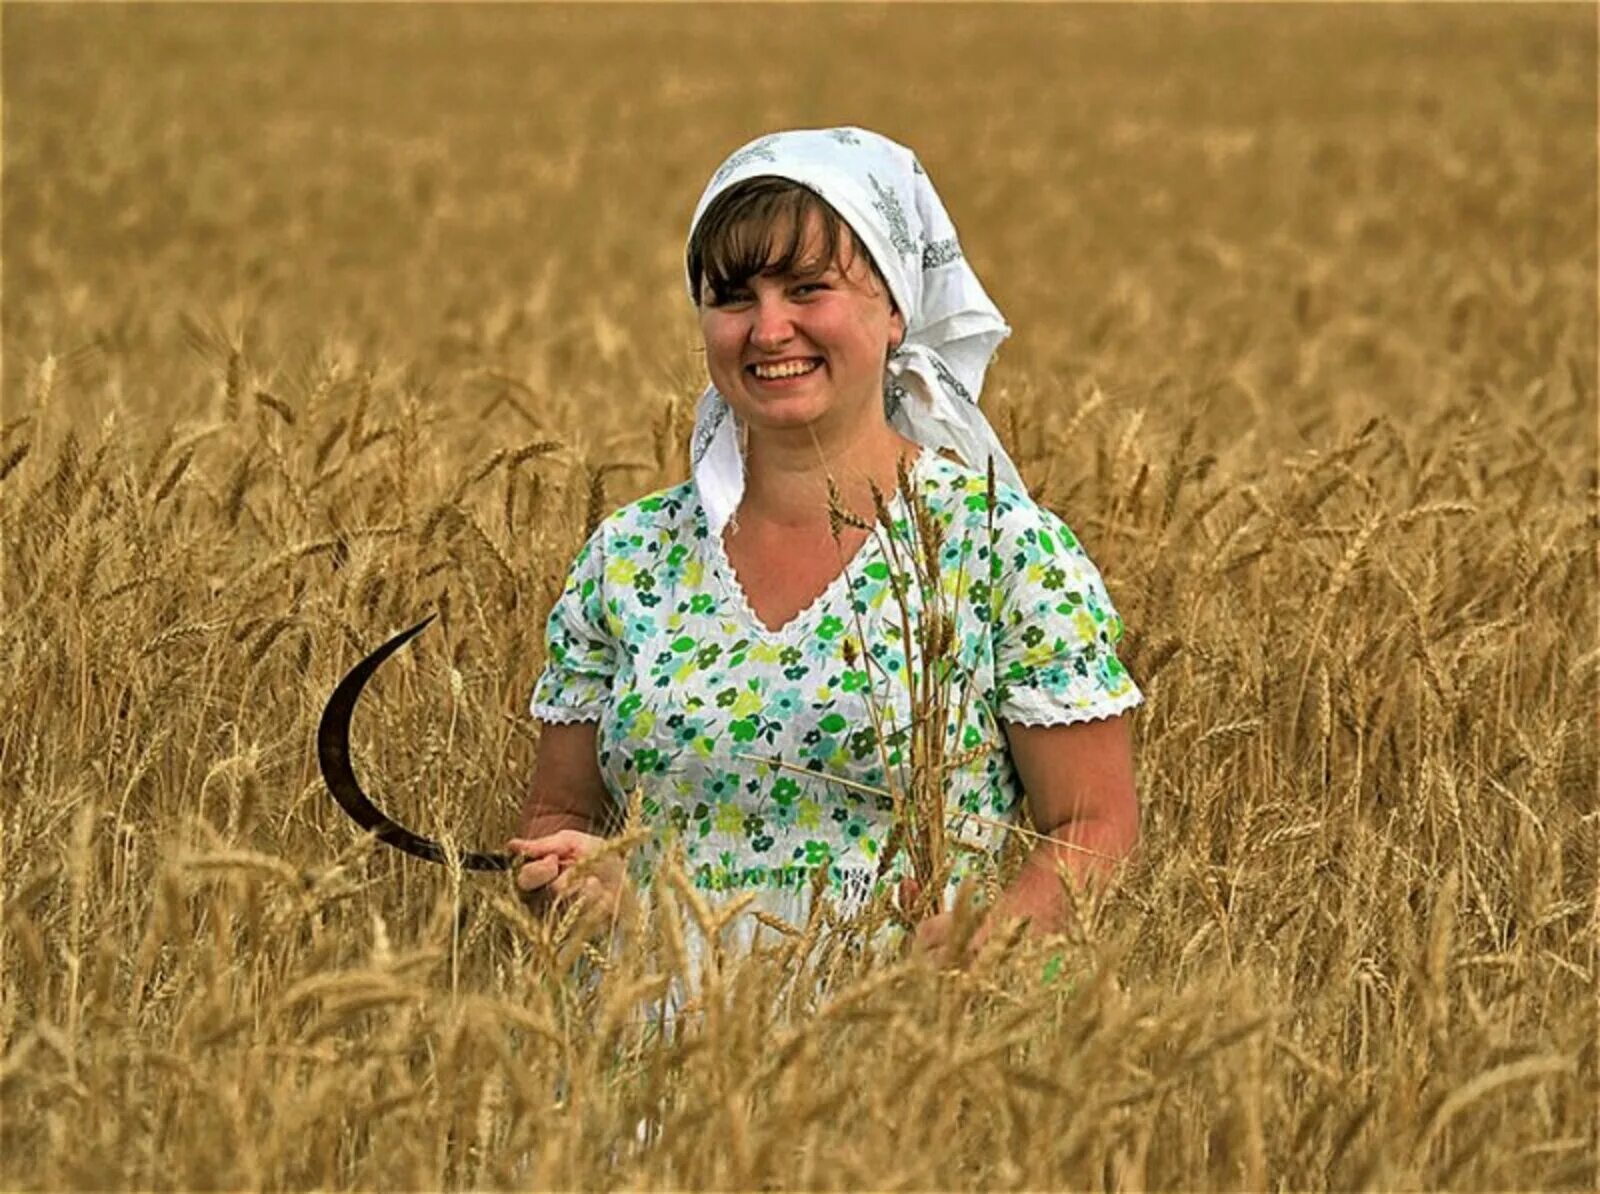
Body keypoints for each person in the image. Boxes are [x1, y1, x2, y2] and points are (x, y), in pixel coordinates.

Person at [508, 127, 1142, 967]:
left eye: (809, 289)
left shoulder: (1001, 549)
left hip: (903, 1059)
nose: (770, 329)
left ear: (893, 310)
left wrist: (984, 953)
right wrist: (571, 884)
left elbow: (1094, 823)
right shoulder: (629, 556)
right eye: (733, 297)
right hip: (645, 1054)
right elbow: (560, 815)